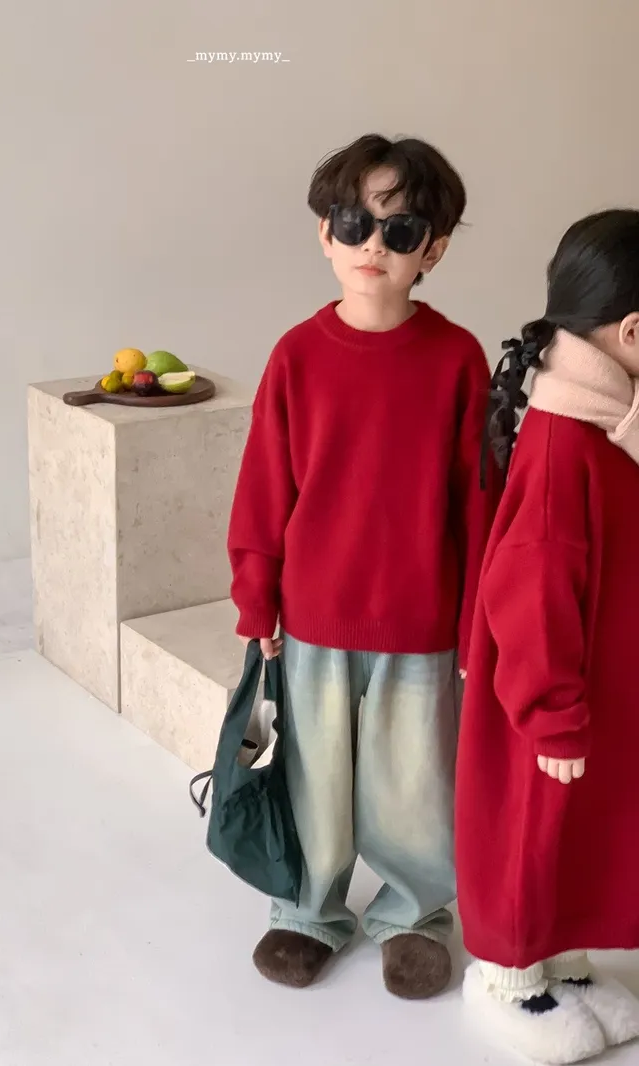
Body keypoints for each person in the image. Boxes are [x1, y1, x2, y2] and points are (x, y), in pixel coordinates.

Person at [227, 134, 499, 999]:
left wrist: (476, 628)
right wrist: (256, 600)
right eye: (354, 222)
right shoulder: (296, 356)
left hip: (421, 620)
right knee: (314, 776)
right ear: (325, 233)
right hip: (313, 616)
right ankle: (308, 910)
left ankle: (414, 915)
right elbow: (265, 488)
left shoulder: (458, 360)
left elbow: (477, 506)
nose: (373, 244)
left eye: (400, 228)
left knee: (414, 784)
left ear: (434, 250)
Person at [456, 209, 639, 1064]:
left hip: (593, 683)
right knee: (530, 834)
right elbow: (528, 592)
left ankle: (564, 962)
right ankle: (509, 976)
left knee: (577, 835)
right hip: (547, 697)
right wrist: (552, 713)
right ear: (632, 332)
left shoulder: (607, 425)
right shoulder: (569, 444)